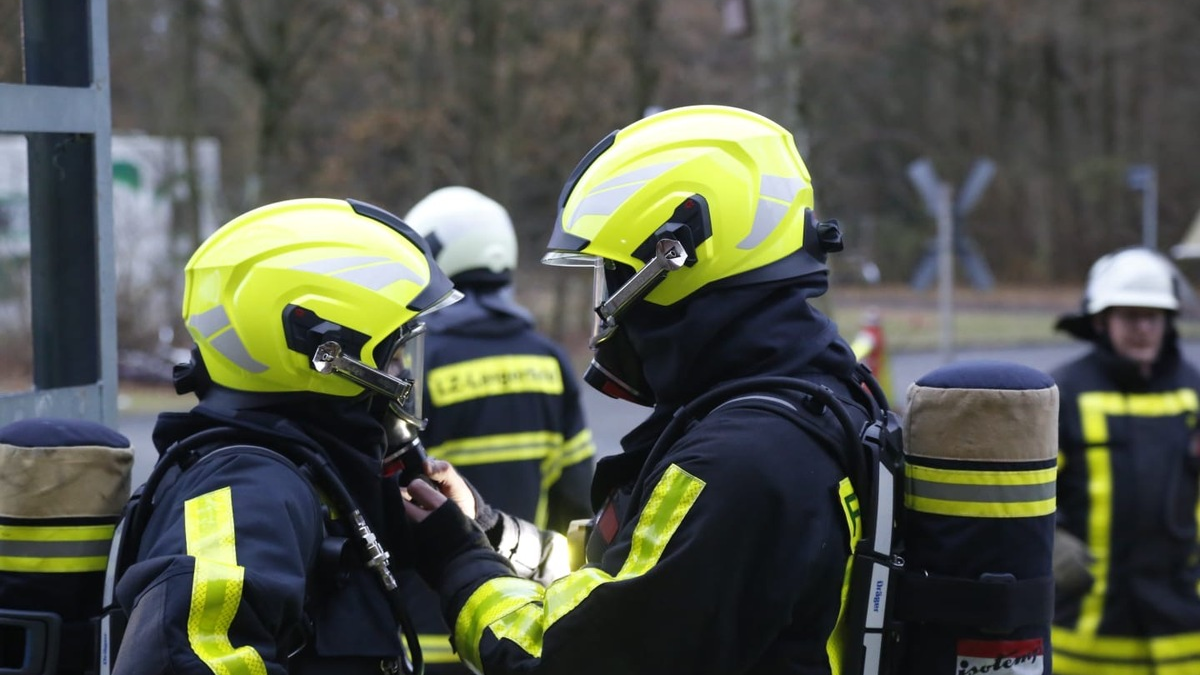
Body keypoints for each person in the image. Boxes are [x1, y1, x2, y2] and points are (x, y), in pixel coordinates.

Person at [404, 104, 876, 674]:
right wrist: (489, 531)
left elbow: (565, 659)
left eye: (613, 275)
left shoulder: (737, 465)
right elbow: (630, 580)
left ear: (670, 262)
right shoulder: (812, 394)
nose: (604, 308)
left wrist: (458, 563)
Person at [107, 197, 465, 674]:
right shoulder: (248, 491)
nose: (400, 374)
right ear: (326, 352)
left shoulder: (305, 480)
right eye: (391, 355)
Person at [401, 186, 597, 671]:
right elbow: (577, 495)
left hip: (422, 628)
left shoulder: (416, 362)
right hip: (519, 624)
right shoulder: (549, 360)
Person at [1050, 246, 1200, 674]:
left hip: (1185, 634)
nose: (1144, 328)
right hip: (1086, 637)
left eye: (1154, 317)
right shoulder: (1062, 394)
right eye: (1130, 316)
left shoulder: (1194, 392)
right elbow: (1027, 493)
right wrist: (1050, 539)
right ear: (1101, 320)